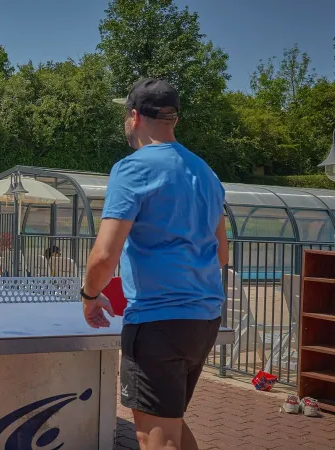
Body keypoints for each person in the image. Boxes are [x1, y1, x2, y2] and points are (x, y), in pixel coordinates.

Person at [79, 78, 229, 450]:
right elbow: (222, 255)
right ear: (173, 119)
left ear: (134, 116)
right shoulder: (206, 173)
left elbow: (103, 255)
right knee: (170, 426)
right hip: (204, 320)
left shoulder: (133, 169)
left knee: (155, 440)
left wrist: (89, 295)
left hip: (158, 321)